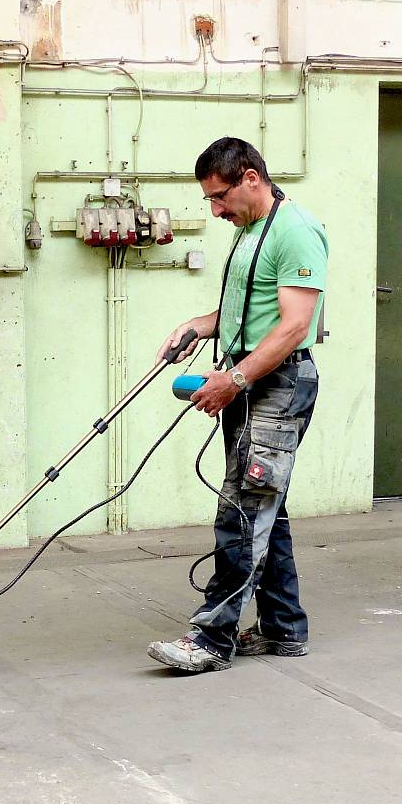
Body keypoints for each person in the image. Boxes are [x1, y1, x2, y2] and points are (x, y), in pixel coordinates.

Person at [147, 137, 328, 673]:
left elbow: (296, 325)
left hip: (276, 384)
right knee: (265, 505)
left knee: (244, 510)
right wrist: (197, 327)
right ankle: (283, 629)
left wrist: (235, 378)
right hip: (251, 382)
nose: (216, 210)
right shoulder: (251, 230)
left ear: (251, 177)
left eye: (220, 197)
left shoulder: (295, 230)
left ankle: (211, 639)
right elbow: (252, 308)